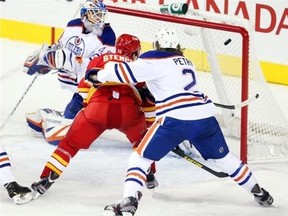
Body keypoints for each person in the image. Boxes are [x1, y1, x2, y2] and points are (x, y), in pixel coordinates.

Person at [92, 28, 274, 216]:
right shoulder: (188, 62)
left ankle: (129, 201)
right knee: (224, 158)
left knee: (140, 158)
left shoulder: (153, 58)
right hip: (205, 117)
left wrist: (99, 75)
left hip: (175, 119)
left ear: (157, 45)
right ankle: (259, 192)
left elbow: (123, 71)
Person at [30, 34, 158, 201]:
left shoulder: (100, 59)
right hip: (128, 112)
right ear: (134, 52)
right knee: (142, 145)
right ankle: (150, 175)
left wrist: (89, 107)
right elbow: (148, 101)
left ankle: (45, 179)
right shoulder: (137, 66)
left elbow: (83, 87)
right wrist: (148, 127)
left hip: (98, 107)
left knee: (69, 145)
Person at [23, 0, 116, 144]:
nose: (100, 19)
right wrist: (45, 60)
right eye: (95, 14)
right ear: (84, 15)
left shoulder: (107, 36)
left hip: (90, 83)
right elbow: (59, 47)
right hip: (69, 77)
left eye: (101, 15)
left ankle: (48, 118)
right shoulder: (73, 24)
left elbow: (98, 65)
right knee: (68, 130)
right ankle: (57, 120)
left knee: (69, 127)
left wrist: (67, 60)